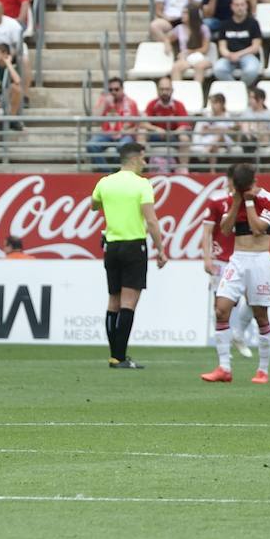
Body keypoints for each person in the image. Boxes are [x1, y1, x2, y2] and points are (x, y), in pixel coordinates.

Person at [89, 141, 166, 370]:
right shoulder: (142, 184)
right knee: (129, 303)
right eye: (143, 158)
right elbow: (151, 220)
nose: (145, 162)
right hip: (133, 246)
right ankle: (120, 357)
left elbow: (94, 205)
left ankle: (115, 355)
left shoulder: (105, 182)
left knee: (113, 301)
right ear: (134, 159)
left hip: (111, 246)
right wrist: (161, 249)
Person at [202, 163, 270, 384]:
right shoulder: (231, 200)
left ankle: (263, 370)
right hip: (237, 258)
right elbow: (225, 229)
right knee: (221, 310)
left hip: (259, 259)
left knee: (261, 316)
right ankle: (224, 368)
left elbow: (257, 228)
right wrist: (236, 201)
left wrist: (248, 201)